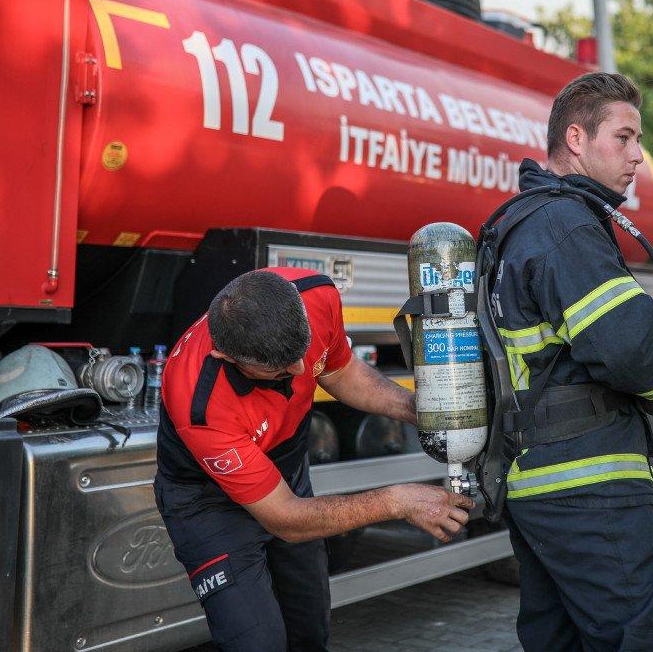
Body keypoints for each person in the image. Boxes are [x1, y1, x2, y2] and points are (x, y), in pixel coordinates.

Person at [491, 71, 653, 651]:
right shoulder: (564, 226)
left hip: (541, 484)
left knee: (557, 640)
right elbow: (628, 352)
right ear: (575, 139)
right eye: (624, 137)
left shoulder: (526, 220)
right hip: (592, 492)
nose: (638, 155)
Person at [154, 267, 472, 652]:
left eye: (301, 354)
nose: (303, 371)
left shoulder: (316, 294)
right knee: (258, 642)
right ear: (227, 356)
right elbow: (286, 519)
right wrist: (397, 501)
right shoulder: (199, 403)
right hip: (208, 502)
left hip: (285, 470)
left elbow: (339, 372)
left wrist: (414, 408)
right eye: (279, 370)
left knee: (308, 630)